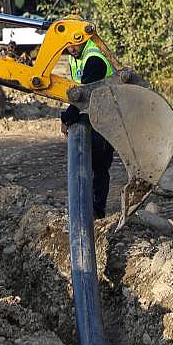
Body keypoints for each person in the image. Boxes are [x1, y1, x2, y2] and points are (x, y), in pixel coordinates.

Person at [60, 38, 115, 219]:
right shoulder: (76, 56)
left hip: (106, 117)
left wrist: (68, 116)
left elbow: (85, 95)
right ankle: (88, 211)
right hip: (93, 114)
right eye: (67, 44)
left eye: (75, 44)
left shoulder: (94, 59)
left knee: (98, 167)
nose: (71, 48)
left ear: (83, 39)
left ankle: (96, 212)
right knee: (89, 166)